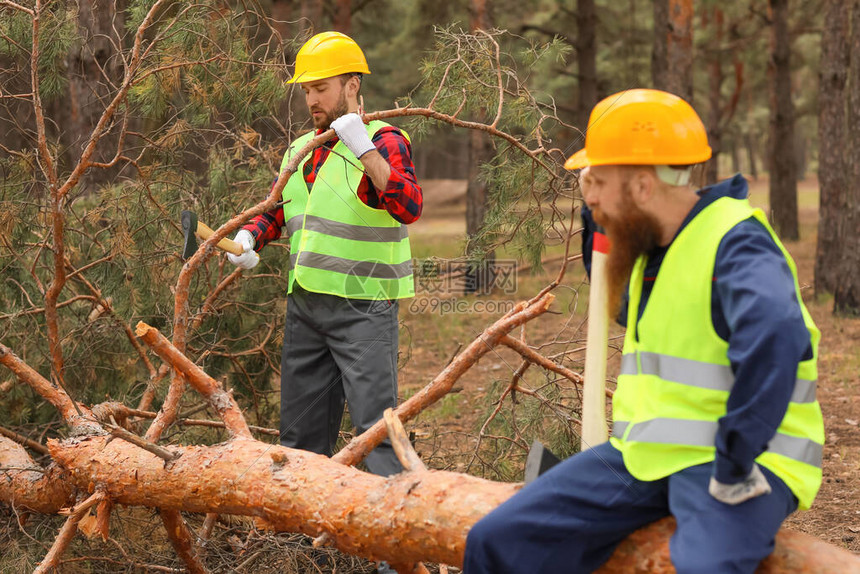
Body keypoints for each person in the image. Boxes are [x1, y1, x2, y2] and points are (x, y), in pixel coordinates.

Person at [463, 89, 824, 573]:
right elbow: (631, 312)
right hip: (643, 457)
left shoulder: (736, 244)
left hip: (742, 465)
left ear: (642, 187)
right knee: (497, 541)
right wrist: (599, 220)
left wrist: (735, 461)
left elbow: (777, 340)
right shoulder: (654, 244)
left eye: (598, 180)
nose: (585, 193)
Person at [227, 31, 422, 483]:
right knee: (299, 440)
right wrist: (249, 239)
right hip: (306, 309)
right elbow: (278, 212)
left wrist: (363, 146)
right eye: (307, 90)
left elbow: (408, 205)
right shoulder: (299, 151)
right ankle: (302, 549)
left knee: (376, 436)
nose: (312, 99)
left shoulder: (385, 139)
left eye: (322, 88)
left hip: (364, 308)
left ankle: (391, 552)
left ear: (352, 85)